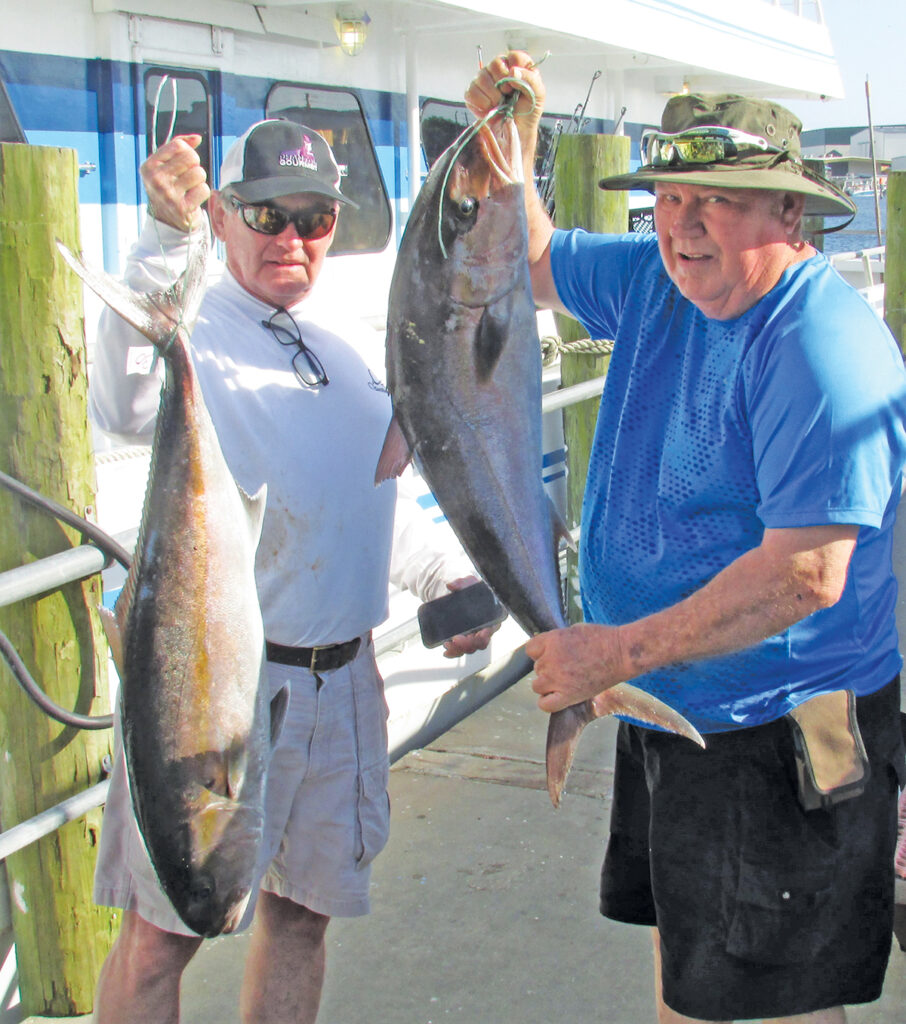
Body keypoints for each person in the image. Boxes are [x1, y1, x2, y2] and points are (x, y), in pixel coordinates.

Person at [467, 53, 906, 1024]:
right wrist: (513, 139)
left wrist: (611, 651)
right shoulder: (659, 281)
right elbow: (529, 261)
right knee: (692, 987)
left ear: (792, 215)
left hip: (779, 726)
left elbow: (805, 575)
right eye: (669, 196)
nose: (683, 223)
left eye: (719, 198)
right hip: (679, 705)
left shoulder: (823, 350)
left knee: (777, 1005)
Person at [88, 119, 494, 1024]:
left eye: (313, 218)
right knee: (163, 937)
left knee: (303, 919)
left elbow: (357, 503)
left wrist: (440, 580)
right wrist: (160, 239)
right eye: (266, 214)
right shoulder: (197, 334)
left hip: (343, 683)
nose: (291, 238)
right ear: (224, 219)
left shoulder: (342, 350)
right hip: (214, 690)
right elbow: (117, 402)